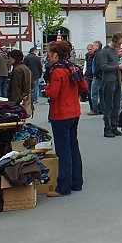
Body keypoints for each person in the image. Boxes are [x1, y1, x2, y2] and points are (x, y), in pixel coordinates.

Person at [44, 40, 87, 196]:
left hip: (60, 113)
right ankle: (77, 182)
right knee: (73, 147)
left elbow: (53, 94)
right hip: (74, 111)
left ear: (55, 54)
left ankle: (64, 186)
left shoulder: (57, 71)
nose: (48, 58)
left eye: (49, 55)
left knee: (63, 151)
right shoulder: (73, 67)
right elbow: (84, 87)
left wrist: (46, 88)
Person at [99, 34, 122, 138]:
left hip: (117, 80)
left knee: (117, 105)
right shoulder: (105, 51)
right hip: (108, 80)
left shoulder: (115, 50)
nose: (119, 46)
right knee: (108, 106)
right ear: (114, 41)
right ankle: (107, 129)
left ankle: (114, 127)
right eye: (119, 43)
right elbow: (103, 67)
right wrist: (117, 66)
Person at [8, 49, 33, 116]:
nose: (9, 60)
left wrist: (14, 102)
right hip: (25, 97)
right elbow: (32, 84)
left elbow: (16, 87)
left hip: (19, 101)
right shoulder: (25, 68)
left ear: (15, 59)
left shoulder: (17, 70)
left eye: (10, 58)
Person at [84, 42, 102, 115]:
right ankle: (96, 108)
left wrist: (95, 73)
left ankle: (95, 109)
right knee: (93, 93)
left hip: (96, 76)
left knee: (94, 93)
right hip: (89, 75)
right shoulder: (88, 56)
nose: (90, 50)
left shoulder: (97, 54)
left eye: (93, 47)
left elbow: (97, 66)